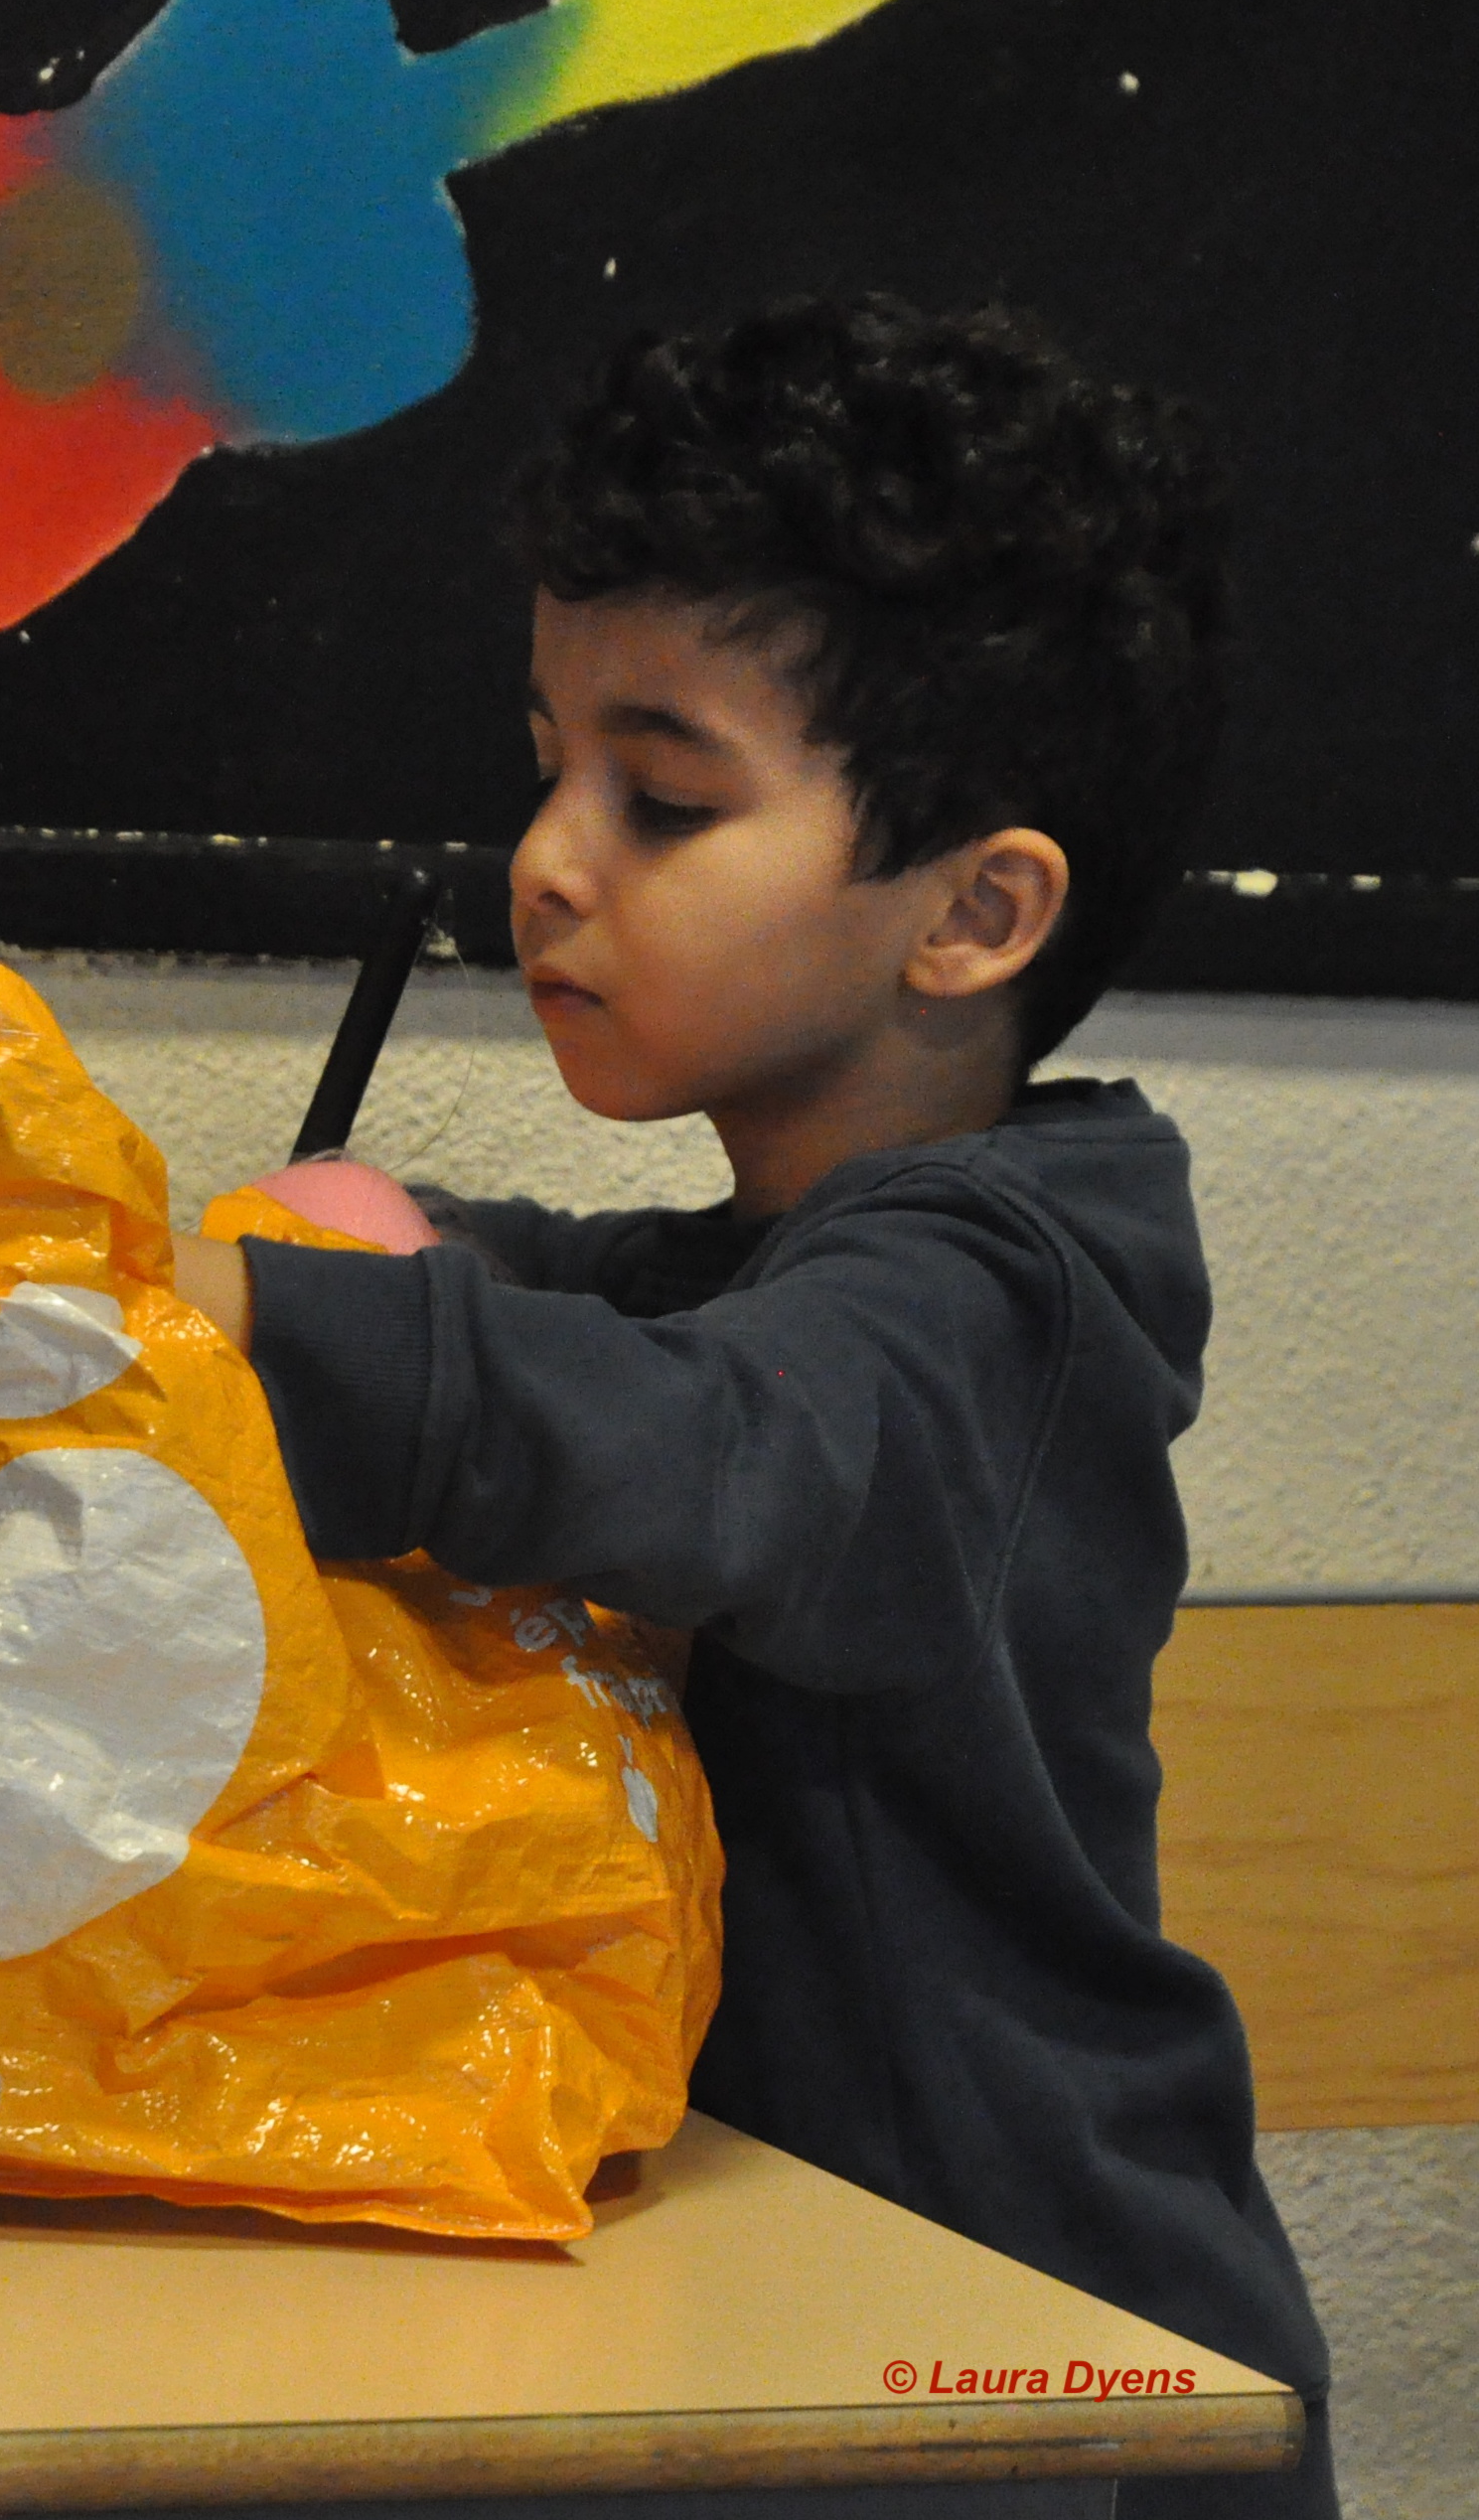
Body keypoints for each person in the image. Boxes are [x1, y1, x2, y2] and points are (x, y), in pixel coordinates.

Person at [174, 294, 1334, 2518]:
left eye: (664, 796)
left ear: (973, 914)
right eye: (546, 760)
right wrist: (372, 1241)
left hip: (1036, 2360)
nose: (547, 857)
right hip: (796, 2326)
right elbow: (601, 1294)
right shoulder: (775, 1263)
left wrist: (274, 1317)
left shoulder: (1007, 1291)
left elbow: (726, 1450)